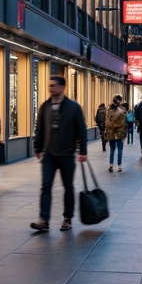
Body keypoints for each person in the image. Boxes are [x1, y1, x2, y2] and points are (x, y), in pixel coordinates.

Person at [30, 74, 88, 232]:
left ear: (63, 87)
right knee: (45, 186)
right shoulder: (45, 106)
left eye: (54, 85)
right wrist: (38, 147)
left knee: (68, 187)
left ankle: (67, 218)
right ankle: (44, 220)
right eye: (49, 86)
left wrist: (82, 151)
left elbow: (81, 130)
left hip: (67, 154)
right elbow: (39, 128)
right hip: (49, 154)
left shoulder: (74, 107)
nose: (51, 88)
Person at [105, 97, 127, 172]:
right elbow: (124, 123)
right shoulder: (123, 111)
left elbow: (107, 122)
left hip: (111, 132)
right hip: (120, 132)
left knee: (112, 149)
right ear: (120, 102)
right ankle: (119, 166)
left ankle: (111, 165)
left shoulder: (109, 110)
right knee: (120, 148)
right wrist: (124, 132)